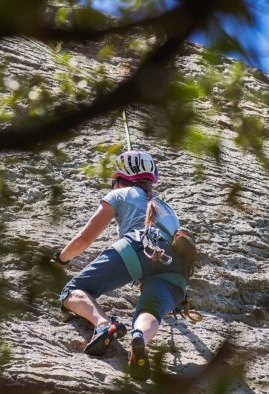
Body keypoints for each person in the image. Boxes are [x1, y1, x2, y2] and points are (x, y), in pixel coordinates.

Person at [54, 150, 187, 381]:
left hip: (137, 248)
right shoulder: (168, 210)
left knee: (72, 292)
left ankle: (104, 325)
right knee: (150, 311)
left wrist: (60, 260)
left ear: (120, 179)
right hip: (176, 270)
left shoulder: (121, 194)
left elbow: (85, 239)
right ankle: (140, 338)